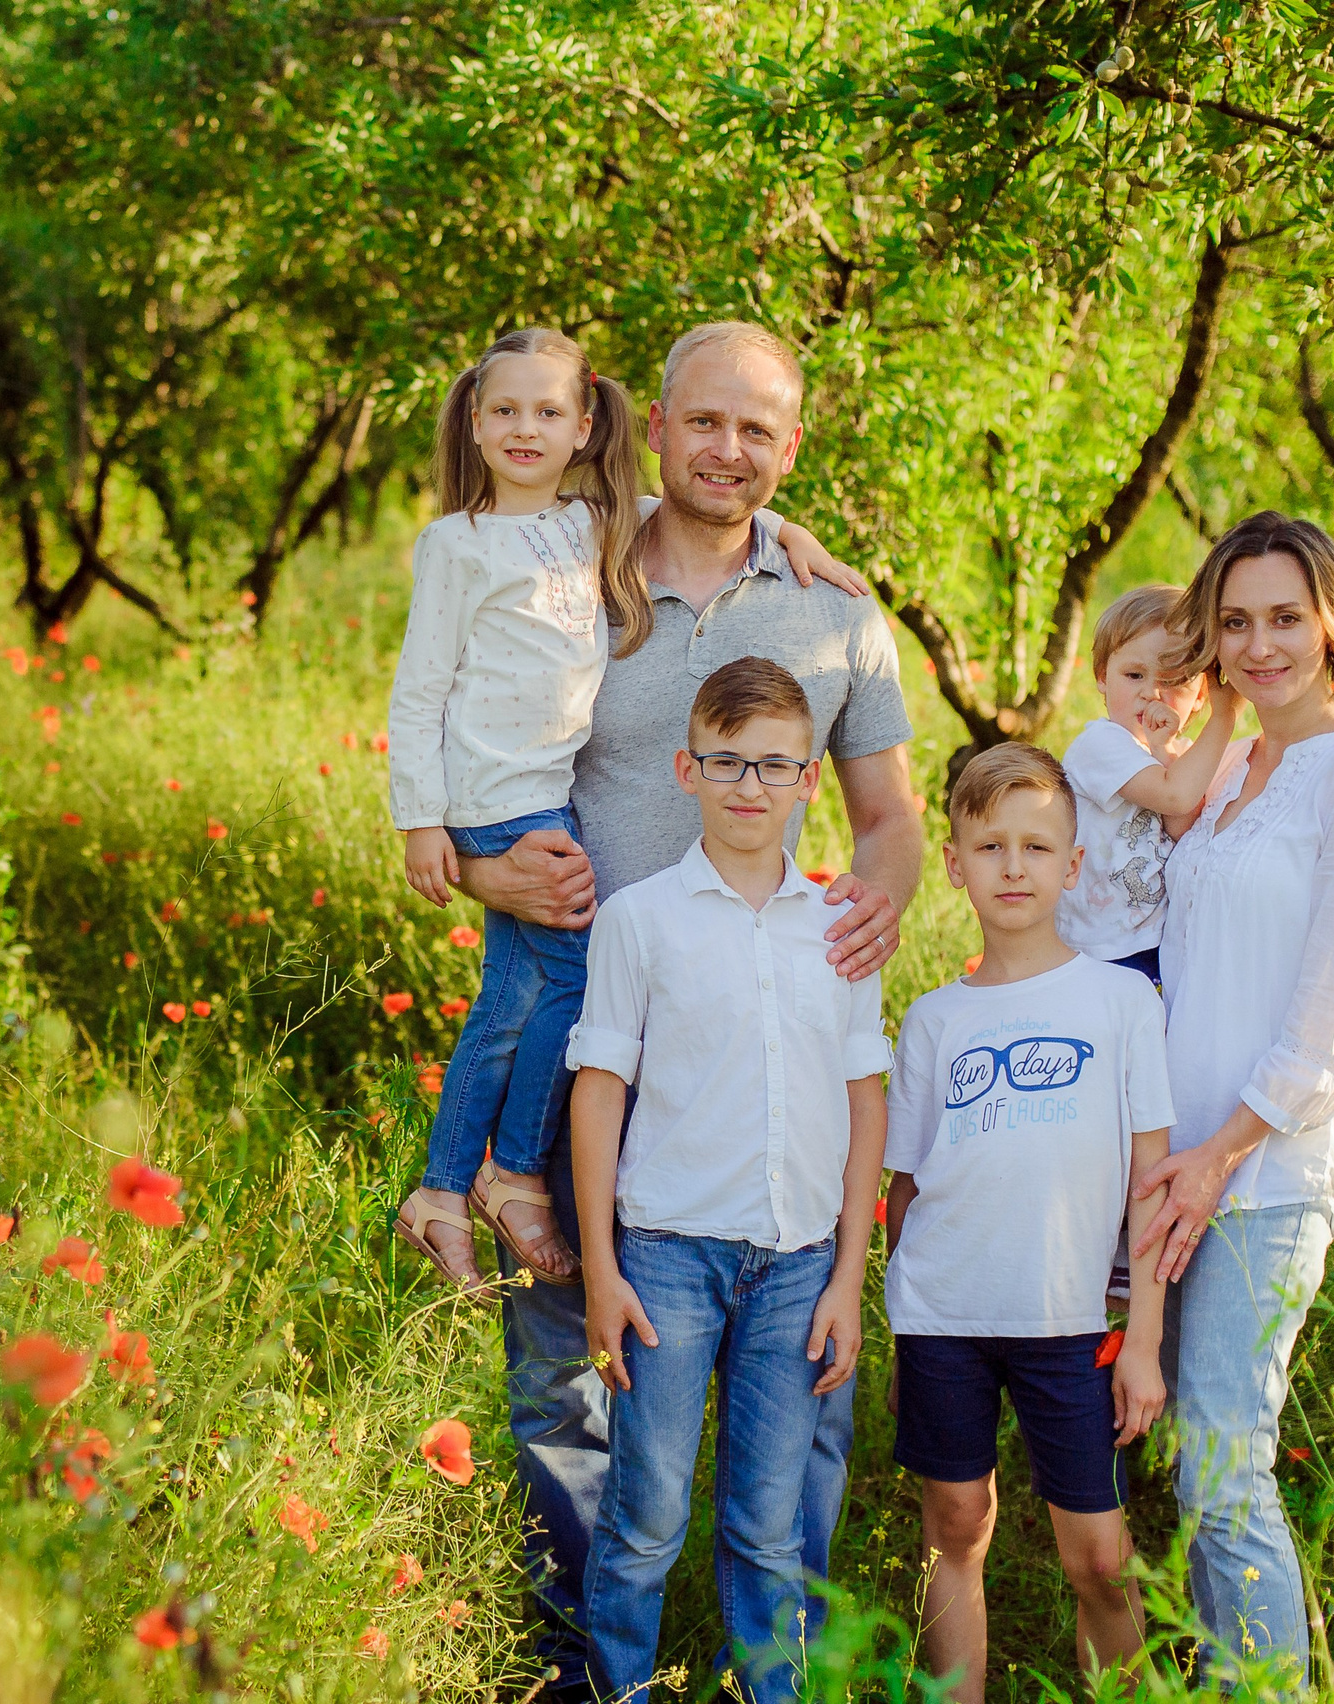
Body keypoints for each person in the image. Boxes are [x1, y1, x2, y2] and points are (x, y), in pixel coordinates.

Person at [455, 321, 922, 1696]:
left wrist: (876, 896)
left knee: (803, 1405)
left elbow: (889, 817)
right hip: (590, 1043)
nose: (731, 451)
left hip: (774, 1047)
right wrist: (486, 869)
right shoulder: (566, 571)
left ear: (793, 448)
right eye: (704, 422)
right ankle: (582, 1666)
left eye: (760, 431)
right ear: (650, 424)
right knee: (568, 1383)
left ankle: (774, 1667)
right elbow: (467, 776)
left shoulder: (840, 614)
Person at [386, 326, 861, 1295]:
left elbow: (715, 502)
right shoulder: (492, 544)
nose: (725, 448)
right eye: (701, 423)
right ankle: (502, 1176)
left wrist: (785, 532)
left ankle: (449, 1191)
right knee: (557, 989)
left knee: (518, 1001)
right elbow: (420, 689)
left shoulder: (581, 529)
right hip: (518, 830)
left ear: (582, 426)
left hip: (689, 972)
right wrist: (437, 839)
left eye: (550, 413)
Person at [1131, 512, 1334, 1686]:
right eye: (1235, 620)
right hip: (1179, 1163)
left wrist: (1220, 1151)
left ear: (1333, 623)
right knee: (1190, 1457)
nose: (1259, 643)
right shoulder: (1225, 772)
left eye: (1283, 617)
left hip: (1268, 1164)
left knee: (1224, 1454)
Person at [566, 657, 890, 1703]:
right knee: (649, 1508)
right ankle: (618, 1688)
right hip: (664, 1259)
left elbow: (863, 1104)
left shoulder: (840, 928)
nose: (750, 786)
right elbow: (599, 1091)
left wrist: (848, 1276)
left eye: (775, 766)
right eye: (727, 763)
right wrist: (603, 1270)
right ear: (686, 768)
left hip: (798, 1265)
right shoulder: (641, 921)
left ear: (808, 779)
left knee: (769, 1522)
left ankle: (766, 1689)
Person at [882, 742, 1176, 1703]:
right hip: (946, 1316)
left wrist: (1143, 1342)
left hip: (1073, 1323)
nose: (1014, 867)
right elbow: (907, 1186)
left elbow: (1150, 1183)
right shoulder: (932, 1021)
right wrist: (901, 1302)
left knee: (1098, 1555)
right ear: (957, 863)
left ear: (1073, 864)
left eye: (1037, 847)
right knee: (956, 1525)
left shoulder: (1123, 1002)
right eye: (991, 845)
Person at [1059, 584, 1241, 985]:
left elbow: (1180, 824)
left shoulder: (1180, 758)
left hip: (1153, 943)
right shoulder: (1100, 745)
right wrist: (1224, 719)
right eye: (1134, 675)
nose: (1151, 693)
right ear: (1102, 677)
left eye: (1174, 680)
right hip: (1096, 945)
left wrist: (1166, 750)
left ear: (1200, 697)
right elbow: (1174, 796)